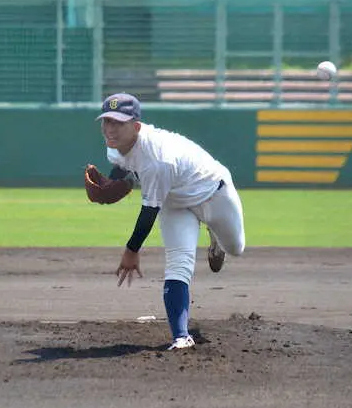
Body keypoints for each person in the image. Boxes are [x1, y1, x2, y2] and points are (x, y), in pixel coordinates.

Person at [88, 93, 246, 350]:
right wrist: (116, 181)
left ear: (136, 126)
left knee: (236, 248)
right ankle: (181, 337)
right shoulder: (113, 147)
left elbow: (148, 211)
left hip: (213, 194)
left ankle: (216, 237)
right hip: (174, 203)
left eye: (118, 122)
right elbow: (124, 166)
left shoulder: (158, 160)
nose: (110, 129)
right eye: (107, 121)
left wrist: (131, 251)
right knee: (178, 265)